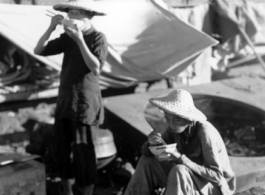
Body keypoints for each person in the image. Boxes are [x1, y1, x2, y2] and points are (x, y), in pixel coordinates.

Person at [34, 0, 108, 195]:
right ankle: (67, 191)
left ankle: (87, 191)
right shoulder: (67, 38)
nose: (71, 17)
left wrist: (80, 40)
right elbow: (38, 50)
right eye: (70, 13)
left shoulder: (97, 37)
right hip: (66, 100)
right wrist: (51, 28)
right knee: (61, 149)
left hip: (85, 103)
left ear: (88, 16)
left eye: (76, 13)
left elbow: (95, 67)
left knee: (84, 152)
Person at [124, 89, 236, 195]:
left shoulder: (205, 133)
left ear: (189, 117)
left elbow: (216, 176)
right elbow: (150, 153)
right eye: (168, 119)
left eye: (177, 119)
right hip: (187, 179)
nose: (172, 124)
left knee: (179, 170)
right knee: (147, 161)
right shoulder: (174, 128)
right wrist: (151, 144)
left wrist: (180, 158)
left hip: (212, 188)